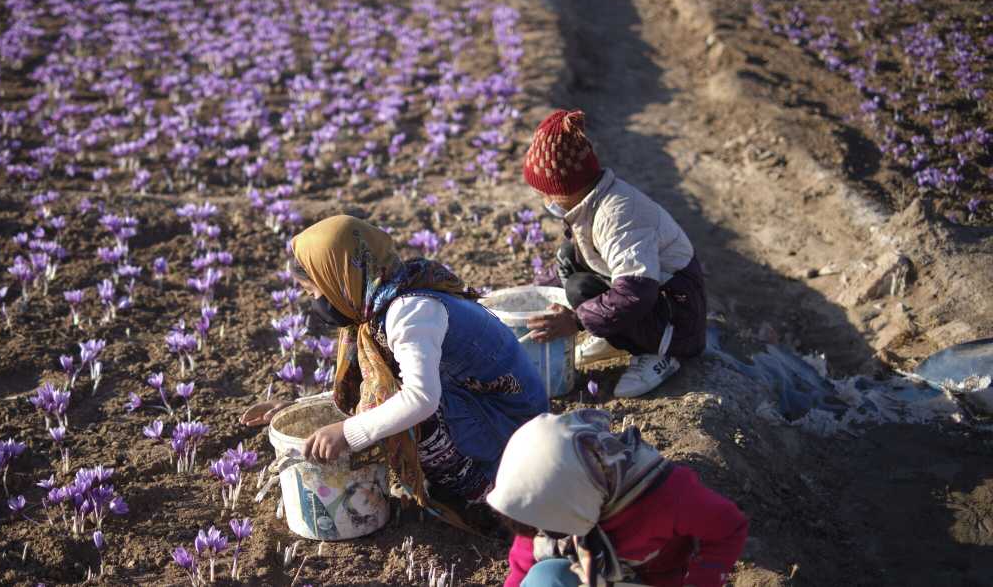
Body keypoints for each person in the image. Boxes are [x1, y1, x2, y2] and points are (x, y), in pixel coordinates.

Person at [240, 215, 547, 511]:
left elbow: (421, 399)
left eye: (314, 290)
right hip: (478, 407)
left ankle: (481, 492)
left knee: (409, 416)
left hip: (512, 428)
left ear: (340, 276)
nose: (315, 301)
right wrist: (297, 409)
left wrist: (347, 433)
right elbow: (375, 390)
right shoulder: (384, 300)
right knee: (391, 410)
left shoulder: (409, 312)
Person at [521, 108, 706, 398]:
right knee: (570, 257)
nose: (543, 199)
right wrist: (530, 297)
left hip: (677, 317)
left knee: (579, 289)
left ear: (563, 188)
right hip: (652, 297)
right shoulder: (589, 204)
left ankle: (659, 354)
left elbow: (636, 292)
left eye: (544, 192)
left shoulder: (617, 215)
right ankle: (614, 334)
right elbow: (577, 267)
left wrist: (576, 321)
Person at [487, 410, 748, 587]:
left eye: (547, 529)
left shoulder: (664, 495)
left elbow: (729, 527)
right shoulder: (550, 499)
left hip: (649, 581)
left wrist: (703, 580)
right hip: (589, 576)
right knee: (546, 577)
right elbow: (524, 562)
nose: (541, 533)